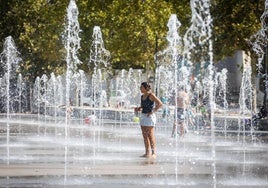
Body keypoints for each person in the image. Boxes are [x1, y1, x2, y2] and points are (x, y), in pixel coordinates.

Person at [134, 82, 163, 158]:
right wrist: (139, 108)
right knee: (144, 135)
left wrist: (152, 111)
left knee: (150, 135)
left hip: (150, 117)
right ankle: (147, 152)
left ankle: (154, 153)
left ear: (145, 88)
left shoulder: (151, 95)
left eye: (141, 87)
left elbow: (160, 103)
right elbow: (143, 106)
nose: (140, 88)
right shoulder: (142, 96)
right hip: (143, 116)